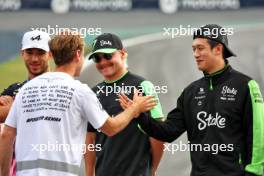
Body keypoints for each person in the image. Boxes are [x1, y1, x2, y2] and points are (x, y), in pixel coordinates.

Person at [0, 30, 156, 176]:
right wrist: (134, 108)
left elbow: (7, 135)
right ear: (77, 55)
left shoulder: (26, 90)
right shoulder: (80, 91)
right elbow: (111, 128)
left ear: (52, 56)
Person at [119, 24, 264, 176]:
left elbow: (258, 135)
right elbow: (167, 132)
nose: (195, 54)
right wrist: (139, 115)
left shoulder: (245, 85)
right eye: (193, 49)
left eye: (200, 48)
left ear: (218, 49)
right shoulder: (190, 92)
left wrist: (253, 173)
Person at [85, 33, 164, 176]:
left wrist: (152, 170)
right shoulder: (93, 93)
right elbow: (90, 138)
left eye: (108, 56)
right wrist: (89, 174)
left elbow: (158, 135)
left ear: (122, 54)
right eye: (97, 58)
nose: (103, 62)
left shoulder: (143, 86)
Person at [0, 30, 52, 176]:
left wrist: (14, 106)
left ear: (50, 54)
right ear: (22, 53)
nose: (34, 59)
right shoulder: (14, 89)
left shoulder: (60, 87)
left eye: (40, 53)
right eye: (29, 52)